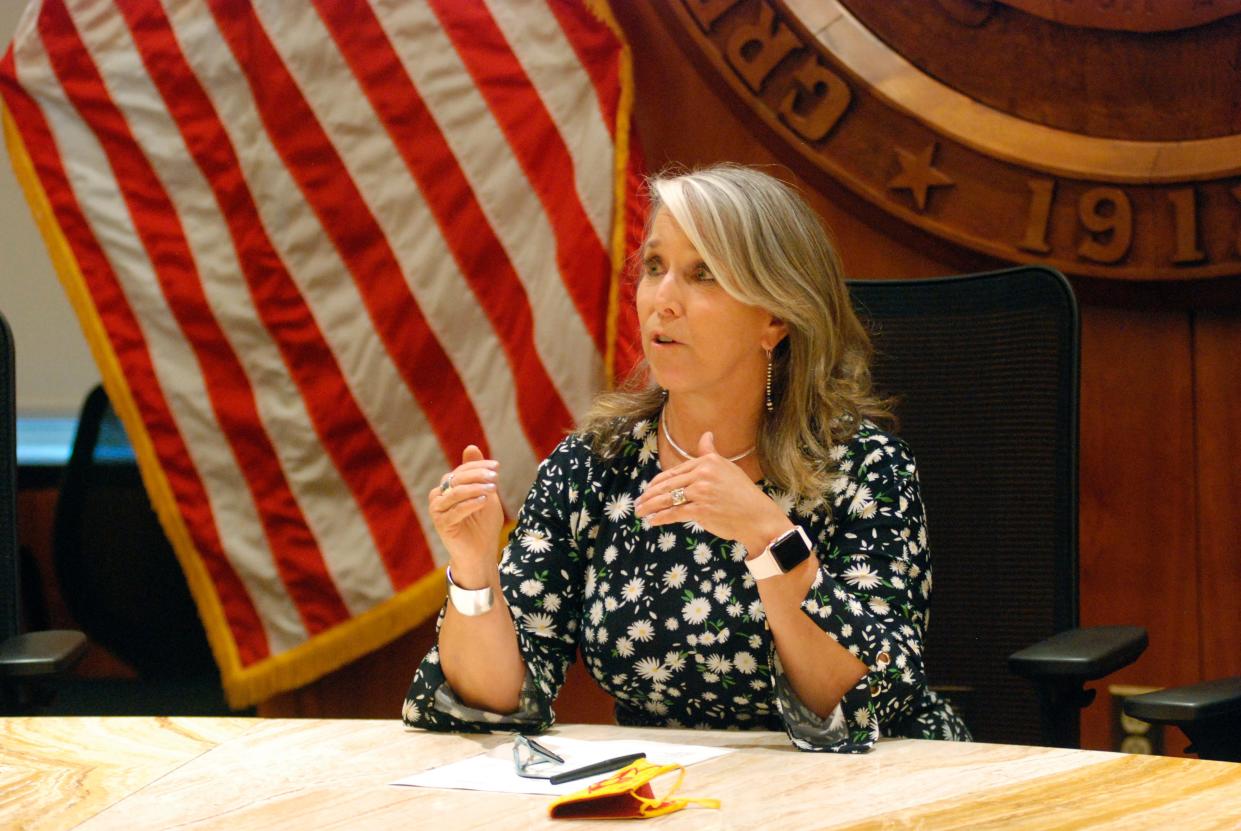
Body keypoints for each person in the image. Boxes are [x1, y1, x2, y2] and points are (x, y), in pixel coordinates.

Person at [402, 164, 969, 751]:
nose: (662, 302)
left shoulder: (862, 469)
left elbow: (860, 705)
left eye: (703, 275)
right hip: (671, 793)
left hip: (873, 788)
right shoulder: (596, 464)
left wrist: (767, 537)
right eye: (654, 268)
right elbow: (493, 703)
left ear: (774, 317)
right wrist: (474, 572)